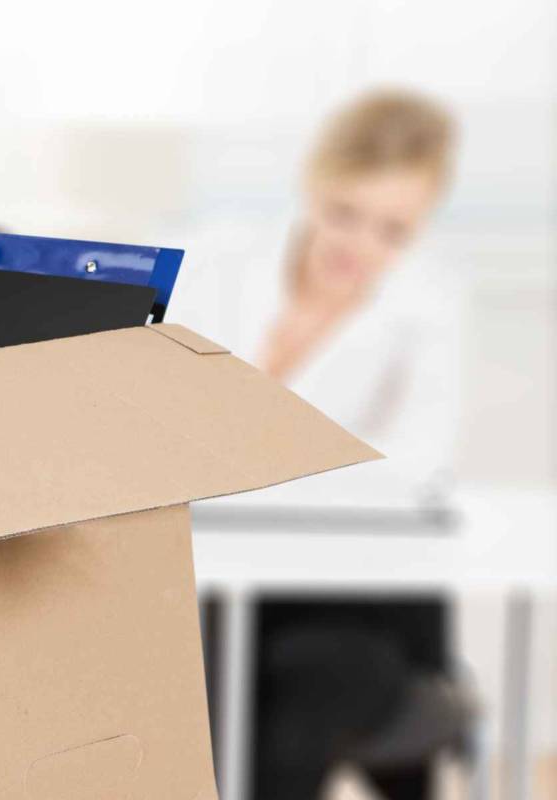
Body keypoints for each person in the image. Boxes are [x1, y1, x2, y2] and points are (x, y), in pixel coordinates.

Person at [175, 90, 464, 800]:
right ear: (313, 186)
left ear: (423, 225)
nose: (360, 247)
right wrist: (316, 467)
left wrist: (248, 468)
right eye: (343, 214)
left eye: (393, 231)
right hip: (213, 580)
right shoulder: (224, 264)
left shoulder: (428, 307)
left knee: (302, 692)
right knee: (177, 683)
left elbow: (415, 470)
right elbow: (167, 422)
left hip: (359, 599)